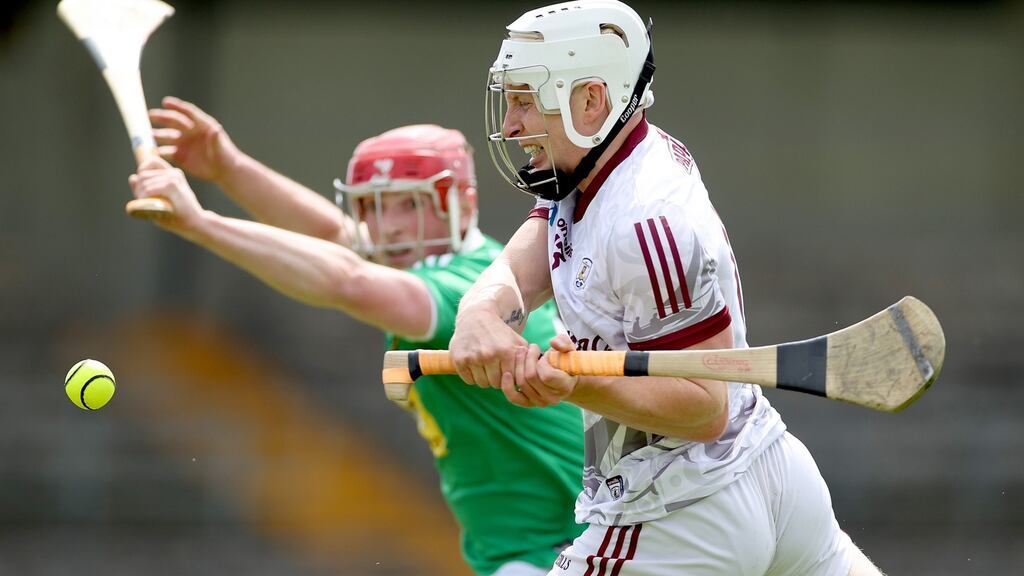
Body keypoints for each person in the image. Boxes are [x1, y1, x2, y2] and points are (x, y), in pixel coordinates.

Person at [449, 1, 885, 574]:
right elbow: (536, 248)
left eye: (527, 100)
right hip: (769, 473)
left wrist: (571, 385)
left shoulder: (645, 218)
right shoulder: (596, 165)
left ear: (590, 99)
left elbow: (704, 405)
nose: (509, 125)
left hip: (685, 506)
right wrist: (481, 308)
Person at [128, 96, 585, 576]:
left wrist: (201, 223)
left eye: (410, 204)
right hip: (534, 549)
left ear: (461, 203)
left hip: (553, 553)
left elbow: (349, 281)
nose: (388, 227)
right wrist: (228, 166)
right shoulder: (469, 265)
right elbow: (332, 234)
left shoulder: (470, 291)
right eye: (372, 207)